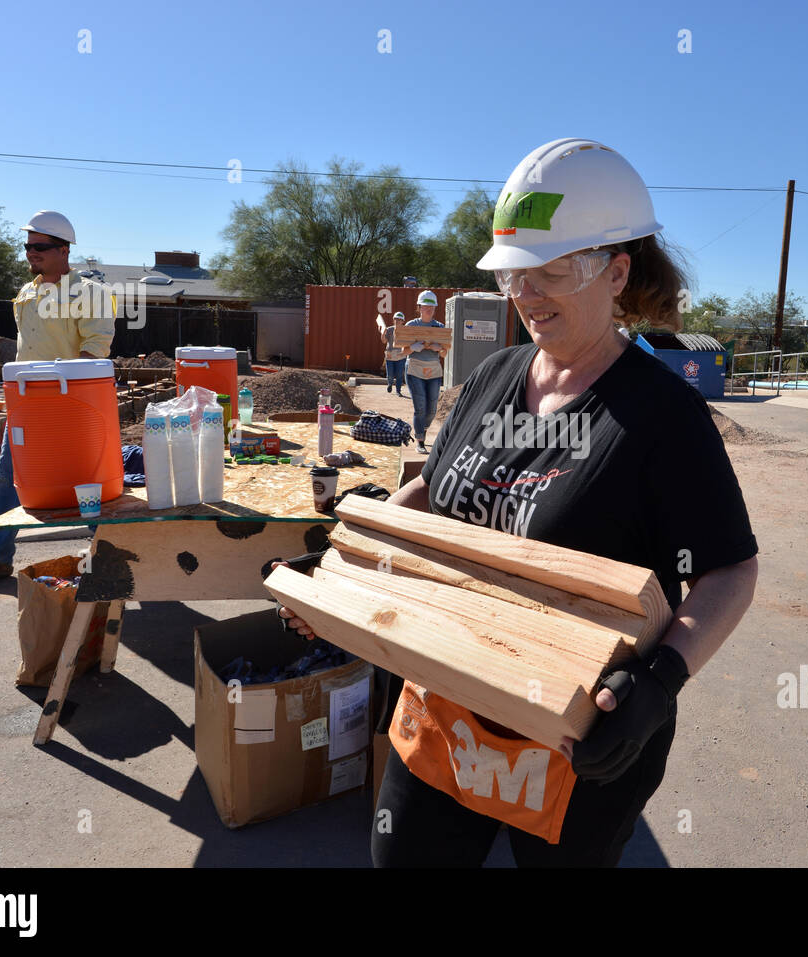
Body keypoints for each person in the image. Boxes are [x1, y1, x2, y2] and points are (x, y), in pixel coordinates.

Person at [279, 138, 759, 867]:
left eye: (551, 271)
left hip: (577, 746)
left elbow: (729, 571)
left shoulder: (662, 417)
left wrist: (662, 678)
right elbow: (432, 494)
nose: (526, 295)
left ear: (616, 270)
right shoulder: (491, 380)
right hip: (447, 704)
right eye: (513, 275)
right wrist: (349, 559)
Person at [0, 211, 115, 580]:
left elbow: (96, 346)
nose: (30, 253)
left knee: (86, 485)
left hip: (70, 405)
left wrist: (64, 392)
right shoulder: (28, 291)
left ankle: (112, 559)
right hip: (27, 404)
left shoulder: (90, 293)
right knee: (10, 478)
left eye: (39, 247)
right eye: (27, 246)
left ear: (64, 250)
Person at [403, 290, 448, 454]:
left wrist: (439, 349)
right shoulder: (411, 326)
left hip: (434, 370)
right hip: (415, 369)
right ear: (419, 307)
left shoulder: (440, 327)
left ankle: (423, 427)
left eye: (432, 307)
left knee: (432, 409)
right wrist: (413, 348)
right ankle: (420, 440)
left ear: (435, 309)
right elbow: (403, 351)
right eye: (425, 306)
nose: (428, 310)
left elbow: (444, 354)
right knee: (420, 407)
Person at [383, 311, 407, 396]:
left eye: (399, 320)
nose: (397, 321)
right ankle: (390, 384)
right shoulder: (389, 329)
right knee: (390, 373)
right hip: (390, 354)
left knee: (400, 374)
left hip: (401, 354)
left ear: (403, 321)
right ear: (393, 320)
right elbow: (384, 341)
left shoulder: (405, 330)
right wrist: (383, 333)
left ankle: (398, 391)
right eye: (396, 319)